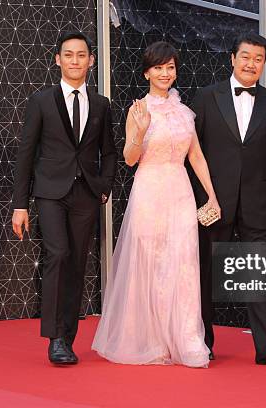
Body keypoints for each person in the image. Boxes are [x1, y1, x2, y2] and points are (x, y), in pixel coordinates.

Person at [92, 42, 219, 368]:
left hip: (180, 192)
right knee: (149, 264)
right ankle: (149, 340)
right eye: (159, 68)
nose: (166, 74)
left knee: (183, 264)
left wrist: (211, 195)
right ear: (147, 71)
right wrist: (141, 129)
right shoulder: (138, 110)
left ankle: (187, 342)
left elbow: (197, 157)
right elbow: (130, 159)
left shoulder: (184, 111)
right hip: (149, 192)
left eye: (171, 67)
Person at [191, 33, 266, 366]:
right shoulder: (205, 98)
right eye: (245, 57)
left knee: (259, 276)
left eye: (258, 59)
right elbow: (193, 152)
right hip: (213, 201)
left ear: (264, 63)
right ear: (232, 58)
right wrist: (200, 198)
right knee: (203, 275)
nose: (251, 64)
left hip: (256, 202)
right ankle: (200, 344)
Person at [11, 32, 116, 365]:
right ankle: (55, 338)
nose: (75, 61)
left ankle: (67, 338)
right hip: (50, 193)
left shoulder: (101, 104)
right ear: (57, 59)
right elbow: (26, 153)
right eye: (68, 55)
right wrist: (19, 203)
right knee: (57, 254)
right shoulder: (41, 101)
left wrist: (104, 186)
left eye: (81, 55)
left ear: (91, 61)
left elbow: (109, 152)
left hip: (86, 194)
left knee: (77, 264)